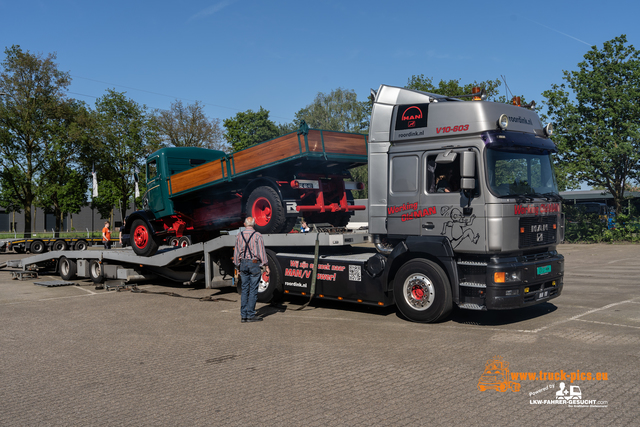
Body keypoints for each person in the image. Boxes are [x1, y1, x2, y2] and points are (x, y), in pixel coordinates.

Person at [233, 217, 269, 323]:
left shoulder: (239, 235)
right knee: (253, 290)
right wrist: (266, 265)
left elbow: (236, 253)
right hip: (254, 264)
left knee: (244, 290)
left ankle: (243, 316)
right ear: (254, 224)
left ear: (245, 224)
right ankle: (250, 315)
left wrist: (237, 266)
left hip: (243, 263)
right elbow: (262, 252)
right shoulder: (258, 235)